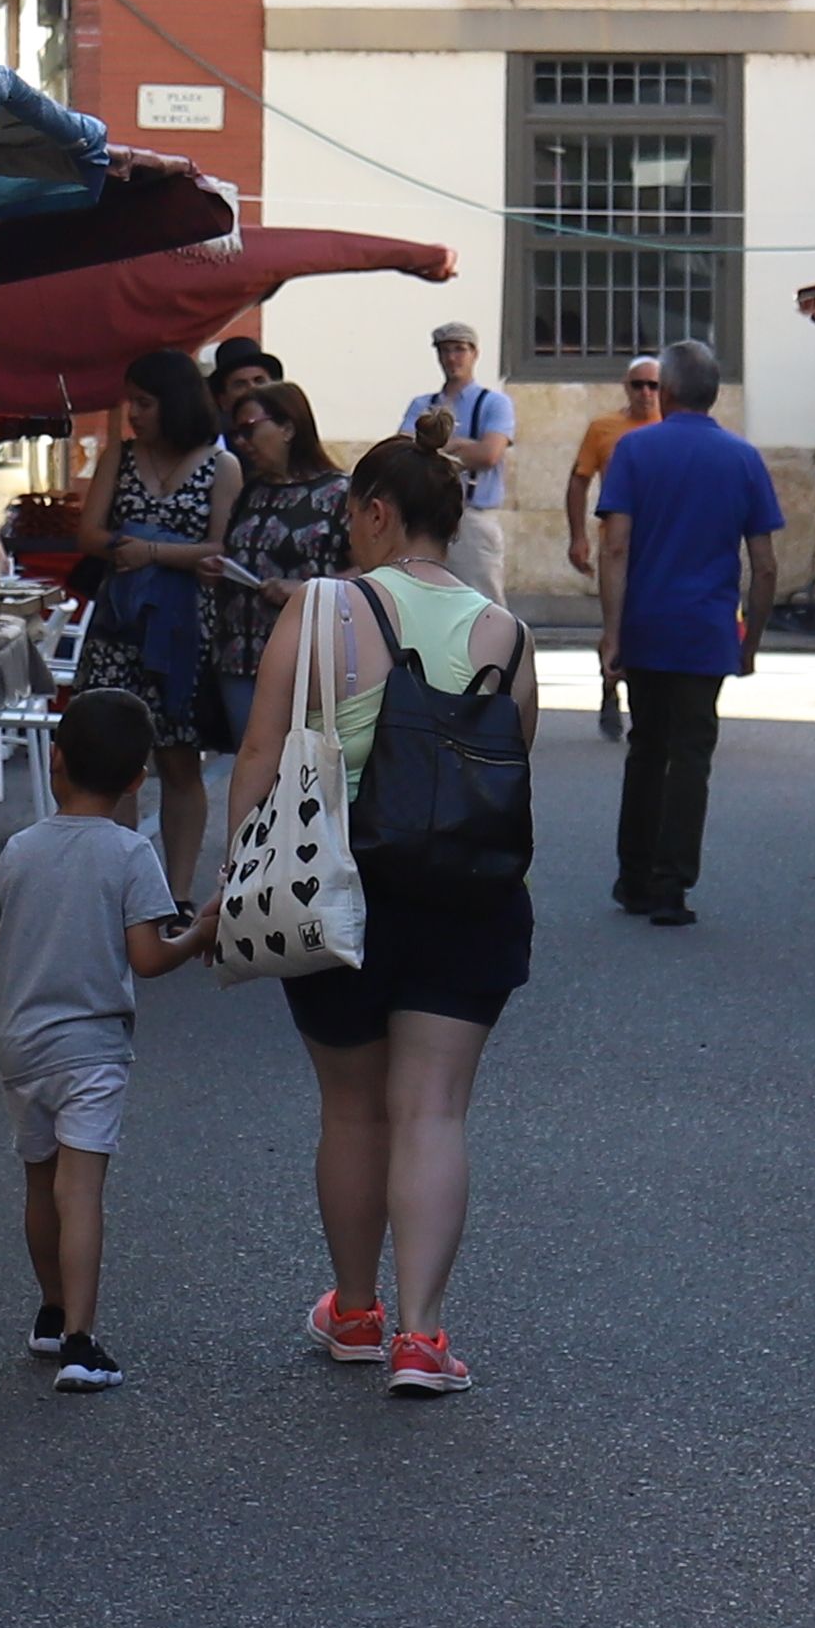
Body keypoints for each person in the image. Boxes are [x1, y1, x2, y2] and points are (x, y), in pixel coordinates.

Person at [227, 432, 533, 1396]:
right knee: (433, 1112)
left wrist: (240, 883)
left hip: (337, 887)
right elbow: (511, 778)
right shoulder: (507, 635)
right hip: (468, 898)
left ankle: (355, 1311)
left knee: (352, 1108)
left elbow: (260, 758)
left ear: (374, 511)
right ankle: (423, 1337)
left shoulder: (323, 608)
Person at [0, 683, 204, 1392]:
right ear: (140, 777)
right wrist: (200, 931)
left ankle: (49, 1312)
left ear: (55, 762)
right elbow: (147, 957)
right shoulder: (130, 853)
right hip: (92, 1051)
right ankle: (81, 1341)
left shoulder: (19, 849)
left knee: (39, 1183)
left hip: (22, 1045)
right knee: (82, 1191)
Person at [589, 339, 779, 926]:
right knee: (691, 754)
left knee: (646, 747)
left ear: (665, 393)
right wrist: (751, 640)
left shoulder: (634, 451)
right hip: (706, 629)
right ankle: (673, 886)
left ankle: (634, 877)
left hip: (646, 623)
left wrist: (612, 634)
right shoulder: (743, 458)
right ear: (714, 393)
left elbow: (615, 546)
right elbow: (766, 563)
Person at [76, 347, 248, 898]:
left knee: (179, 761)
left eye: (145, 403)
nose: (135, 414)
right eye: (132, 401)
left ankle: (175, 893)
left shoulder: (221, 466)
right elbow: (87, 533)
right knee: (111, 759)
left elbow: (223, 549)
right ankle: (119, 888)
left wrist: (150, 551)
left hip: (182, 635)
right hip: (120, 626)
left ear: (173, 404)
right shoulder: (118, 458)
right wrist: (151, 550)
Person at [201, 376, 348, 754]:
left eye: (250, 429)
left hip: (306, 661)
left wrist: (304, 589)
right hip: (239, 656)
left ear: (287, 427)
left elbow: (371, 573)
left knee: (303, 771)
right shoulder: (253, 490)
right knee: (254, 766)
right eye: (236, 433)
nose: (242, 442)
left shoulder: (339, 494)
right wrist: (220, 570)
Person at [560, 351, 666, 733]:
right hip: (615, 544)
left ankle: (647, 703)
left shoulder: (672, 428)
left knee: (654, 623)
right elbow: (579, 480)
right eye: (638, 385)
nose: (646, 393)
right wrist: (578, 537)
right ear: (627, 387)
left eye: (653, 385)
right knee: (617, 623)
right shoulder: (604, 428)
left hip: (660, 545)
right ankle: (610, 686)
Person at [401, 323, 521, 599]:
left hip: (471, 516)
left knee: (481, 602)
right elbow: (405, 450)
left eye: (459, 350)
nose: (452, 358)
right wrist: (463, 446)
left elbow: (489, 454)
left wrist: (436, 447)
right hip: (426, 518)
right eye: (445, 351)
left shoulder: (494, 403)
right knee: (426, 599)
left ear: (474, 353)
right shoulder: (422, 404)